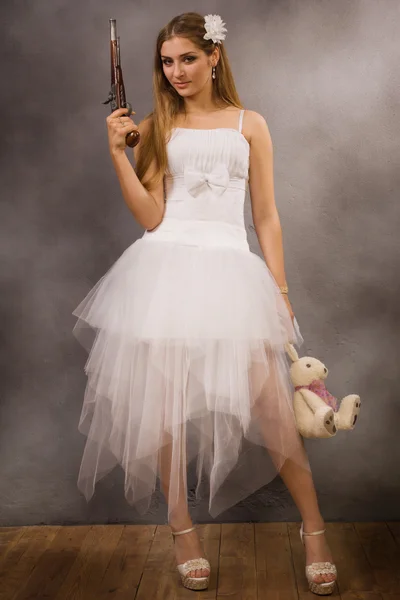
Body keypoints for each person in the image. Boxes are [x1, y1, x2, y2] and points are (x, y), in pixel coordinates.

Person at [72, 11, 337, 594]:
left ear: (214, 56)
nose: (177, 72)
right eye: (167, 62)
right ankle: (181, 527)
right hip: (165, 267)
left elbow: (265, 216)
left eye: (187, 58)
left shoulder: (251, 125)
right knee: (165, 408)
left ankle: (314, 527)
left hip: (230, 270)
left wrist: (281, 290)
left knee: (273, 407)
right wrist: (119, 154)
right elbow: (150, 216)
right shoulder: (158, 125)